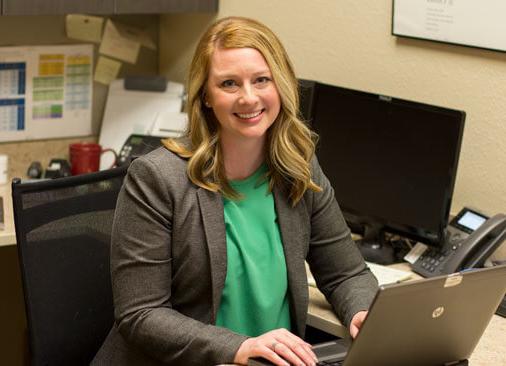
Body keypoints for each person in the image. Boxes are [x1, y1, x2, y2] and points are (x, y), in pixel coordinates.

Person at [92, 16, 378, 366]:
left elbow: (345, 272)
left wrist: (362, 311)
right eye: (229, 83)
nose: (249, 97)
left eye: (262, 80)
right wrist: (238, 347)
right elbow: (142, 313)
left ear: (281, 86)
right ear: (206, 96)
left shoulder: (297, 167)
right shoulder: (157, 179)